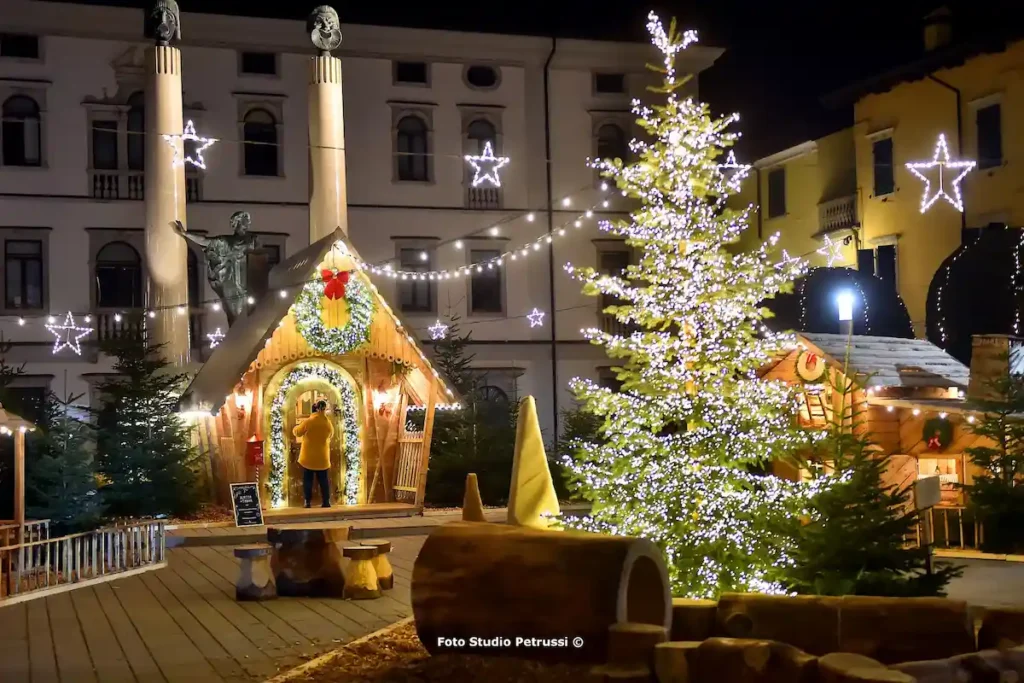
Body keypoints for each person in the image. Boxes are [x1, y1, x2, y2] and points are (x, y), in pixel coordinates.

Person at [293, 400, 334, 508]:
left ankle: (307, 502)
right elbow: (331, 435)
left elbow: (297, 432)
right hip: (322, 457)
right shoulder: (327, 422)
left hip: (308, 458)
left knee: (308, 480)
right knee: (324, 481)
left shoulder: (309, 421)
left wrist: (295, 427)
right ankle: (326, 501)